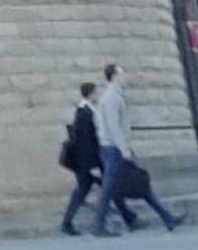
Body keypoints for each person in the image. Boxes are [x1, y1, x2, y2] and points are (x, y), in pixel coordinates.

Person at [92, 62, 185, 235]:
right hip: (114, 149)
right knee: (110, 188)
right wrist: (124, 148)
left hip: (114, 147)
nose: (125, 77)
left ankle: (167, 218)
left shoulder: (113, 96)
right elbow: (114, 125)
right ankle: (98, 225)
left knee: (139, 183)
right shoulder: (112, 97)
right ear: (114, 77)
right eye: (122, 74)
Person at [59, 80, 137, 235]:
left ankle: (128, 217)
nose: (98, 95)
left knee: (95, 189)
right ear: (91, 94)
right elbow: (85, 143)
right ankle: (122, 219)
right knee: (106, 188)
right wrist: (92, 166)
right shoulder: (84, 113)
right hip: (89, 162)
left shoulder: (89, 110)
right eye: (96, 93)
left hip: (90, 161)